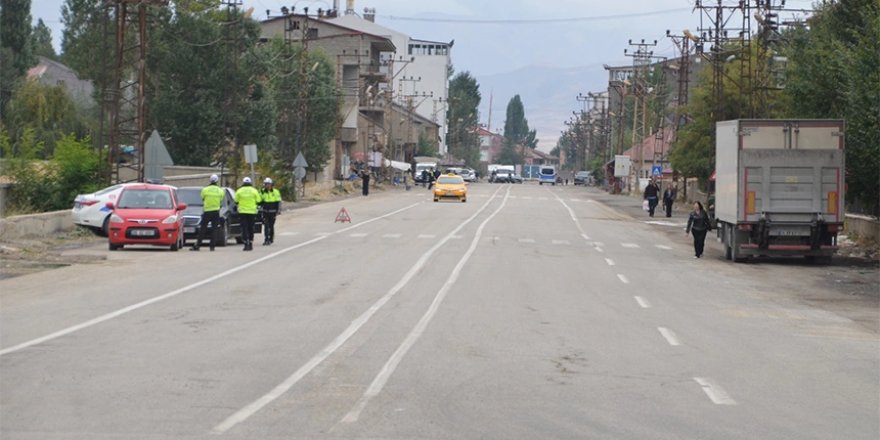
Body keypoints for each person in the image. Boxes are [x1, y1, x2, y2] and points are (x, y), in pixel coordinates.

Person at [191, 174, 224, 252]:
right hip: (216, 211)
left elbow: (203, 198)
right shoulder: (220, 190)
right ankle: (212, 246)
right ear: (217, 181)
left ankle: (198, 245)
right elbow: (221, 200)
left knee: (203, 229)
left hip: (207, 211)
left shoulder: (205, 190)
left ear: (210, 180)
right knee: (214, 229)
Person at [235, 176, 261, 251]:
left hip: (242, 212)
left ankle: (246, 242)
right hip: (252, 212)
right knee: (251, 227)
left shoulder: (239, 191)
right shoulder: (254, 191)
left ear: (243, 183)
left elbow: (236, 201)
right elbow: (258, 200)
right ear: (250, 183)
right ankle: (251, 241)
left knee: (244, 228)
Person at [259, 177, 281, 246]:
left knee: (271, 226)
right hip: (265, 211)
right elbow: (259, 201)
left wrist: (278, 210)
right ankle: (266, 239)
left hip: (273, 212)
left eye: (268, 184)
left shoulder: (275, 192)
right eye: (266, 184)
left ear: (271, 184)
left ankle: (271, 238)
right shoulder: (262, 191)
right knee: (266, 226)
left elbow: (278, 202)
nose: (267, 186)